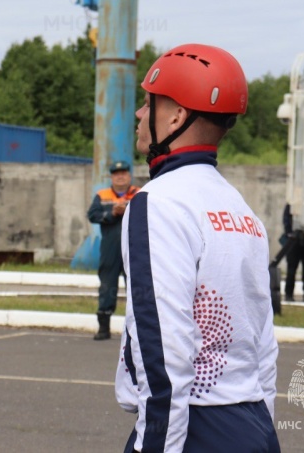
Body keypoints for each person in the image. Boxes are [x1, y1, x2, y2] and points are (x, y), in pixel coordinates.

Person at [115, 44, 280, 452]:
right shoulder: (241, 210)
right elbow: (265, 347)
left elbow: (164, 352)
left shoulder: (157, 203)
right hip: (253, 424)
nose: (139, 114)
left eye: (148, 102)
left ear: (176, 115)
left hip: (194, 427)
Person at [87, 161, 140, 340]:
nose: (120, 176)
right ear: (111, 177)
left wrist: (128, 211)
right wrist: (111, 214)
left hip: (134, 249)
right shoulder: (102, 195)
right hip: (110, 249)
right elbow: (92, 215)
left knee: (137, 288)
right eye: (116, 174)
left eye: (123, 173)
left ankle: (138, 329)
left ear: (129, 176)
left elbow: (149, 215)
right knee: (107, 286)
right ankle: (104, 327)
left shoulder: (139, 194)